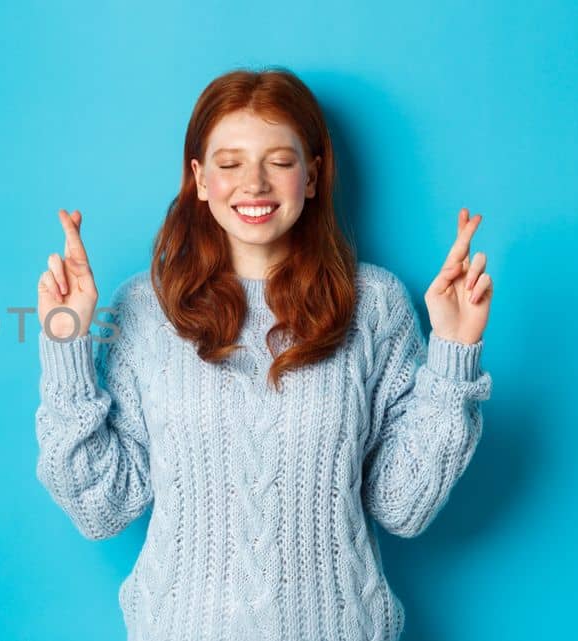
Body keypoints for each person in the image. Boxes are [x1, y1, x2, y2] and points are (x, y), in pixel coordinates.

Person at [32, 67, 494, 641]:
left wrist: (454, 352)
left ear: (312, 175)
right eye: (229, 164)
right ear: (199, 179)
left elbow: (403, 505)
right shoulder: (145, 311)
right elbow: (101, 507)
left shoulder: (373, 304)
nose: (253, 184)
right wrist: (65, 344)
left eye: (279, 161)